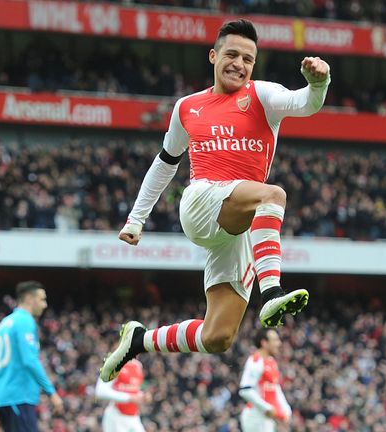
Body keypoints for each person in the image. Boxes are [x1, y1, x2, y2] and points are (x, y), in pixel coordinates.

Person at [100, 18, 330, 382]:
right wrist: (135, 219)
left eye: (248, 59)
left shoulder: (262, 95)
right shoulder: (187, 107)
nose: (239, 64)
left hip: (237, 219)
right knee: (274, 194)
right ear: (213, 56)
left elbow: (304, 103)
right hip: (201, 202)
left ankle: (140, 340)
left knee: (218, 336)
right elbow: (165, 163)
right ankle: (272, 291)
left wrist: (319, 83)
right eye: (232, 54)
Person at [0, 281, 63, 432]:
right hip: (19, 397)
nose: (45, 305)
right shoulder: (25, 321)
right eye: (42, 299)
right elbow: (30, 361)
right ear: (29, 299)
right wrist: (51, 392)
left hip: (6, 398)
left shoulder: (5, 323)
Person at [238, 328, 292, 432]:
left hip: (266, 418)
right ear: (264, 343)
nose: (279, 343)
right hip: (255, 417)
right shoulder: (255, 361)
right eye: (275, 340)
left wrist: (286, 409)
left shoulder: (271, 361)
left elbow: (276, 388)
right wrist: (268, 408)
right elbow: (245, 390)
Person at [95, 359, 149, 432]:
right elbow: (100, 391)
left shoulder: (137, 365)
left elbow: (133, 389)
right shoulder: (113, 364)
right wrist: (129, 398)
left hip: (133, 417)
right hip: (116, 417)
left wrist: (143, 396)